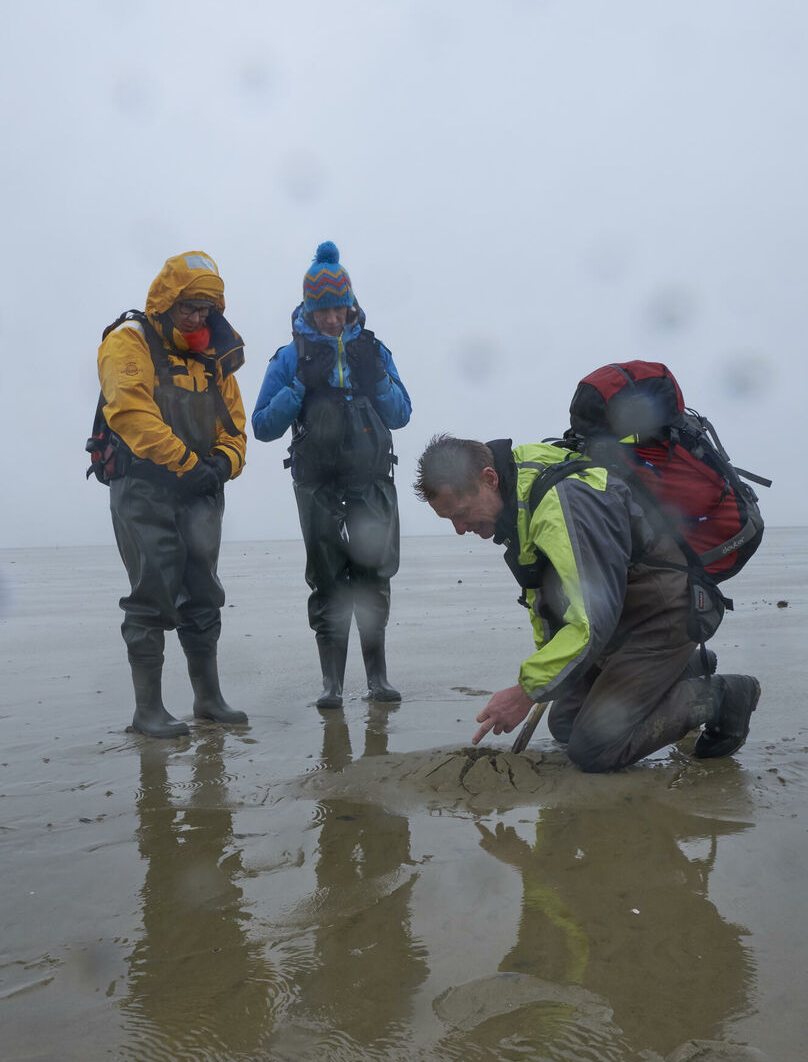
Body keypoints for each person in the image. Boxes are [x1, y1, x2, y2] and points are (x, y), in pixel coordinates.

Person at [414, 434, 761, 772]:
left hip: (661, 614)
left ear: (488, 479)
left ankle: (722, 696)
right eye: (450, 521)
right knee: (566, 722)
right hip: (621, 618)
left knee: (596, 748)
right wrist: (545, 679)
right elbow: (544, 597)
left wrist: (524, 692)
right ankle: (679, 671)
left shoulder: (562, 504)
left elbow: (591, 619)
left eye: (460, 514)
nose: (459, 529)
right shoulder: (519, 494)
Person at [252, 242, 411, 708]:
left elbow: (401, 414)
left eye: (338, 308)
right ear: (308, 307)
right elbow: (262, 426)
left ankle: (377, 680)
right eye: (322, 311)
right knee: (327, 580)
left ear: (350, 303)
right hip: (317, 485)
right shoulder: (289, 356)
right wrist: (300, 384)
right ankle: (332, 686)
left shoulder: (374, 348)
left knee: (373, 576)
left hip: (372, 482)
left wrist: (376, 376)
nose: (332, 320)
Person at [97, 250, 248, 738]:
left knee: (203, 593)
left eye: (207, 309)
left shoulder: (213, 356)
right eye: (190, 307)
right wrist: (185, 465)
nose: (199, 318)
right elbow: (130, 413)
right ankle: (148, 711)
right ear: (166, 300)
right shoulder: (128, 342)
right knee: (151, 594)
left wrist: (223, 463)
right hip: (144, 490)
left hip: (201, 491)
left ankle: (208, 700)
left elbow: (235, 425)